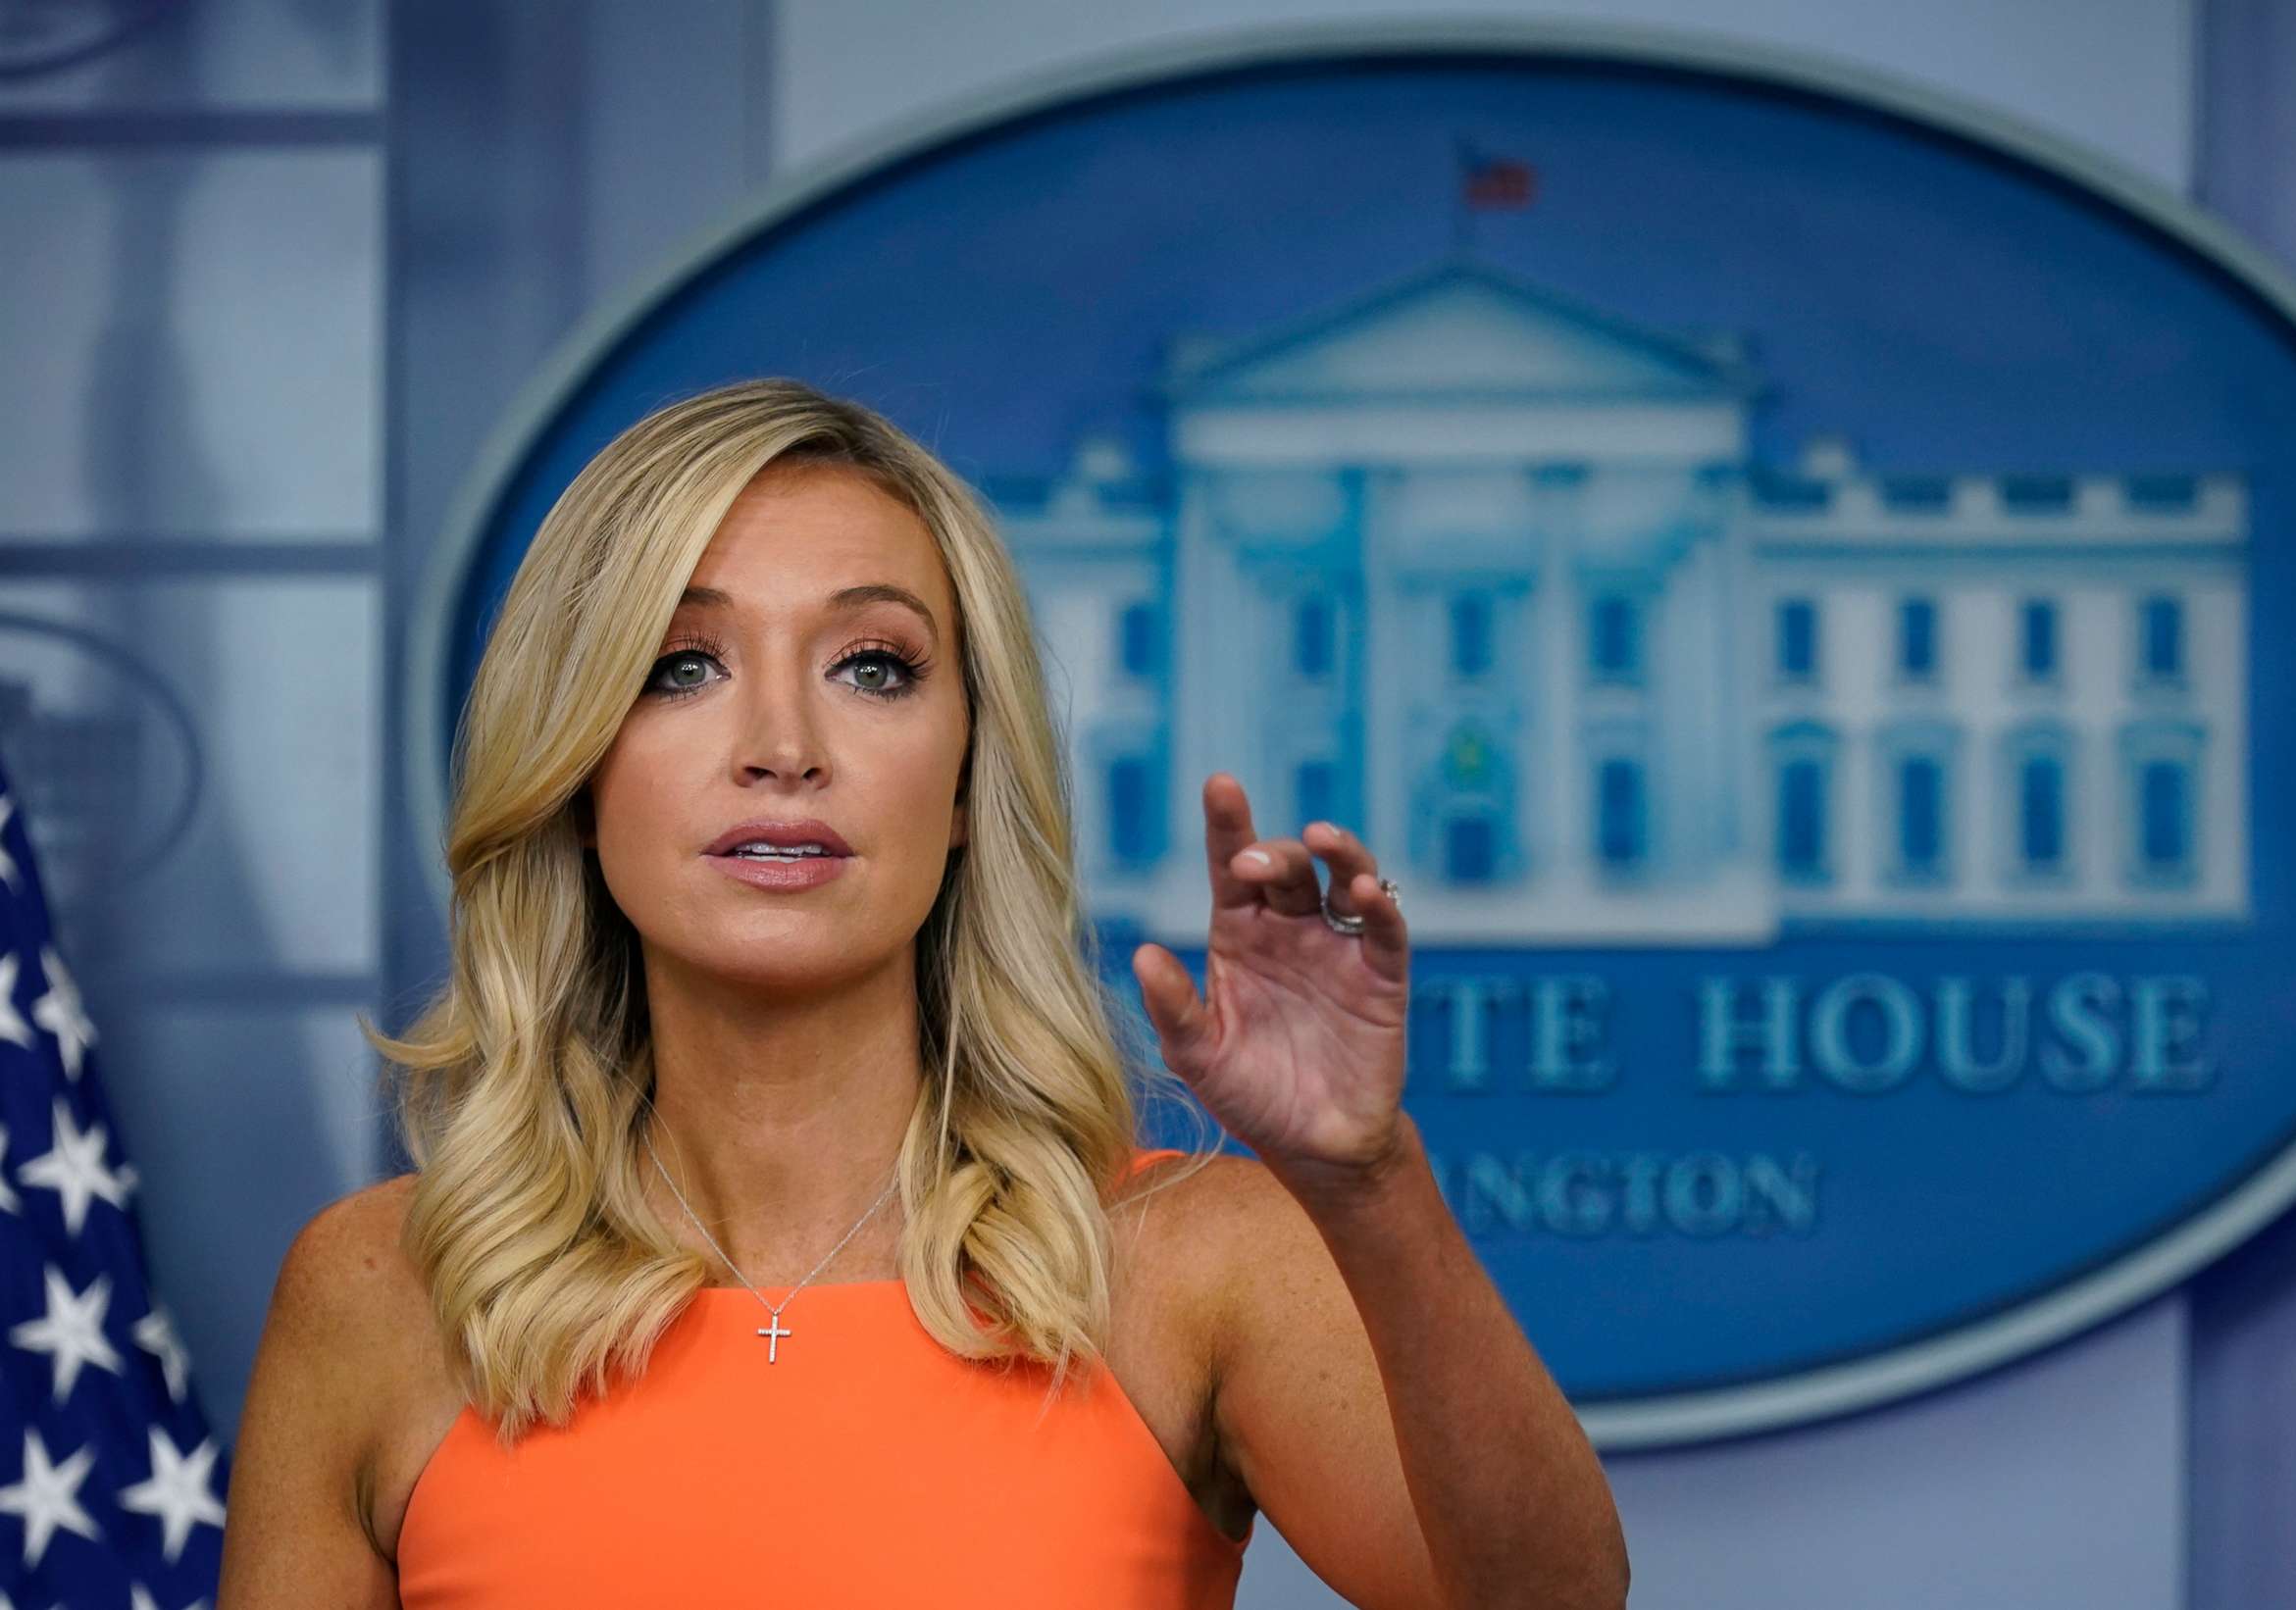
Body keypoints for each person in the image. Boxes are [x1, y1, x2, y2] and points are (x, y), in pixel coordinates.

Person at [215, 377, 1628, 1607]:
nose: (781, 743)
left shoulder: (1185, 1264)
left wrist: (1369, 1182)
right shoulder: (381, 1294)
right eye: (683, 664)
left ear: (963, 782)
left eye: (872, 666)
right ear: (579, 772)